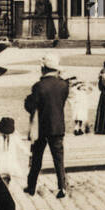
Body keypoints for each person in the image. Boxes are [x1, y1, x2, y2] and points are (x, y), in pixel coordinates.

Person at [24, 53, 69, 198]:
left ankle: (31, 186)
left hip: (41, 127)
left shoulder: (38, 86)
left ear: (43, 68)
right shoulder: (63, 85)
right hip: (57, 126)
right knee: (59, 160)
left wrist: (28, 99)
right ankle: (62, 187)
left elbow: (31, 106)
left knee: (37, 158)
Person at [0, 116, 24, 185]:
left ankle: (8, 175)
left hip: (10, 155)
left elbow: (20, 144)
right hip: (0, 154)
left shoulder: (14, 135)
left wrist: (27, 152)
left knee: (11, 164)